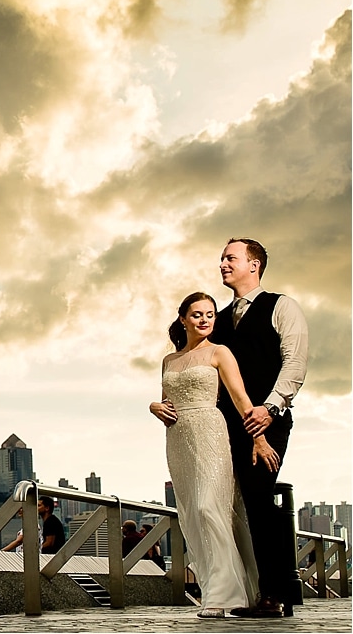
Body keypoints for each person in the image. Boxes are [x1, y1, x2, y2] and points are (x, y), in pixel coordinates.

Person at [149, 291, 278, 619]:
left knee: (210, 507)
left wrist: (259, 440)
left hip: (210, 432)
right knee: (192, 514)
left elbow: (241, 399)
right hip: (178, 439)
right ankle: (215, 591)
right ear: (183, 319)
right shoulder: (169, 360)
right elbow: (166, 401)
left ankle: (223, 596)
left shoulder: (220, 353)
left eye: (210, 314)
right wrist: (154, 406)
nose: (205, 320)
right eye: (197, 315)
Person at [213, 238, 309, 618]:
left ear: (254, 265)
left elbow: (294, 362)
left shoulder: (282, 306)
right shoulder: (217, 319)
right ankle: (254, 588)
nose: (223, 263)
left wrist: (270, 409)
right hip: (226, 426)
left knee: (258, 495)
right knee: (238, 504)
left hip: (269, 419)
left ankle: (275, 594)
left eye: (230, 258)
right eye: (221, 258)